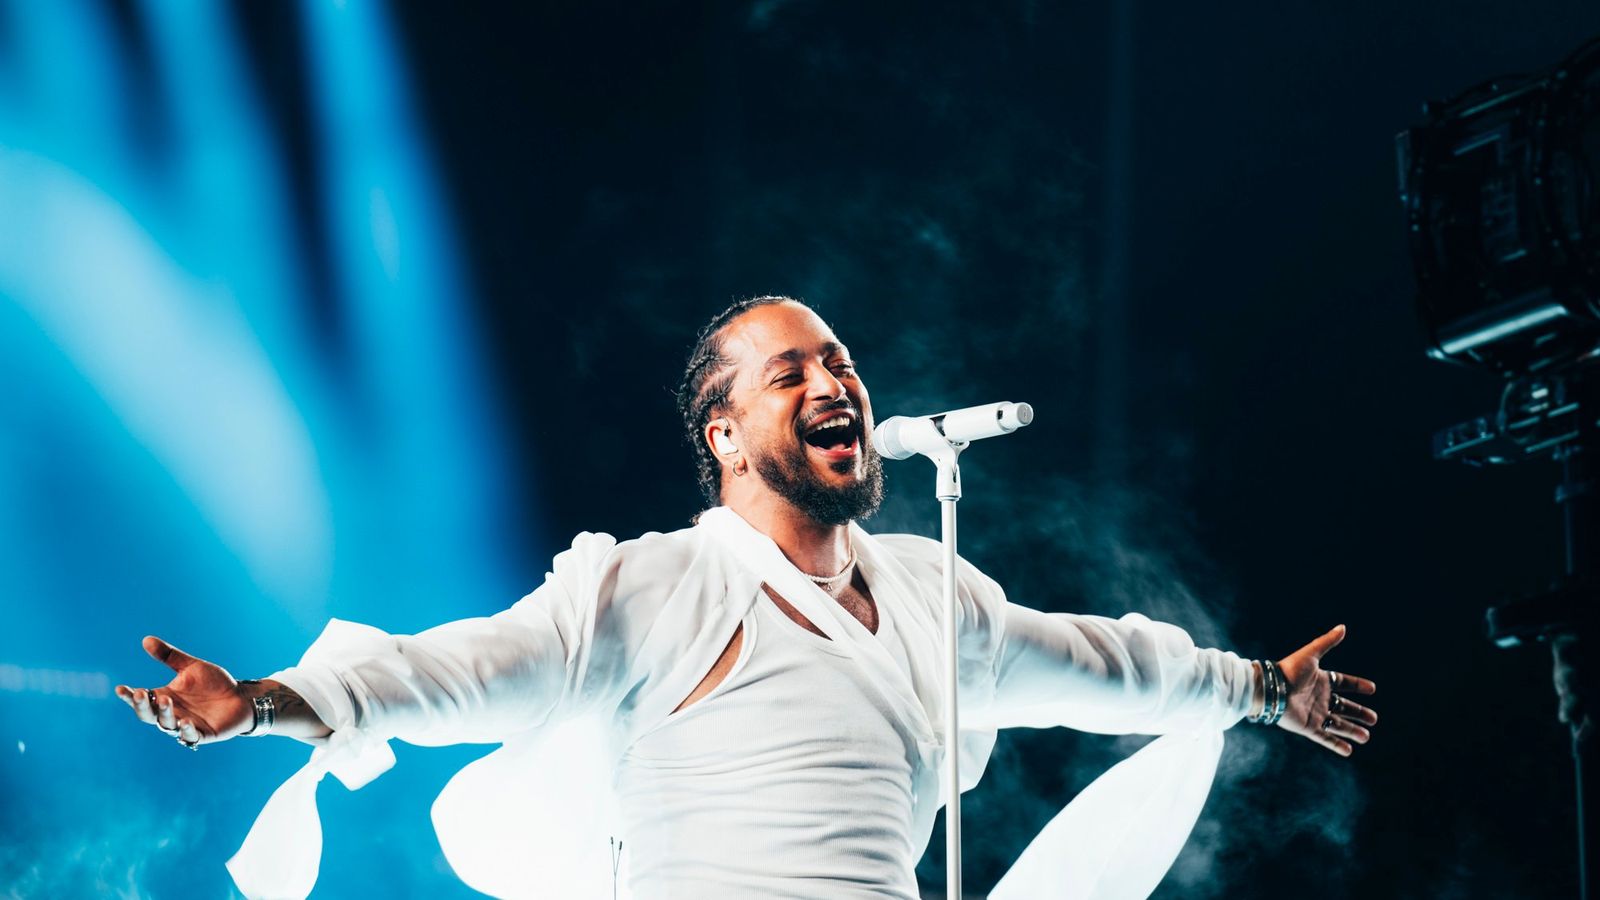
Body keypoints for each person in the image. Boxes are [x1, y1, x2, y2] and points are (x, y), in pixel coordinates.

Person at [116, 296, 1377, 899]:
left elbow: (1106, 666)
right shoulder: (653, 584)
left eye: (839, 362)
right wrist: (273, 702)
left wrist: (1261, 689)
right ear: (724, 435)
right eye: (792, 372)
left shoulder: (937, 596)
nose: (836, 381)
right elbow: (455, 672)